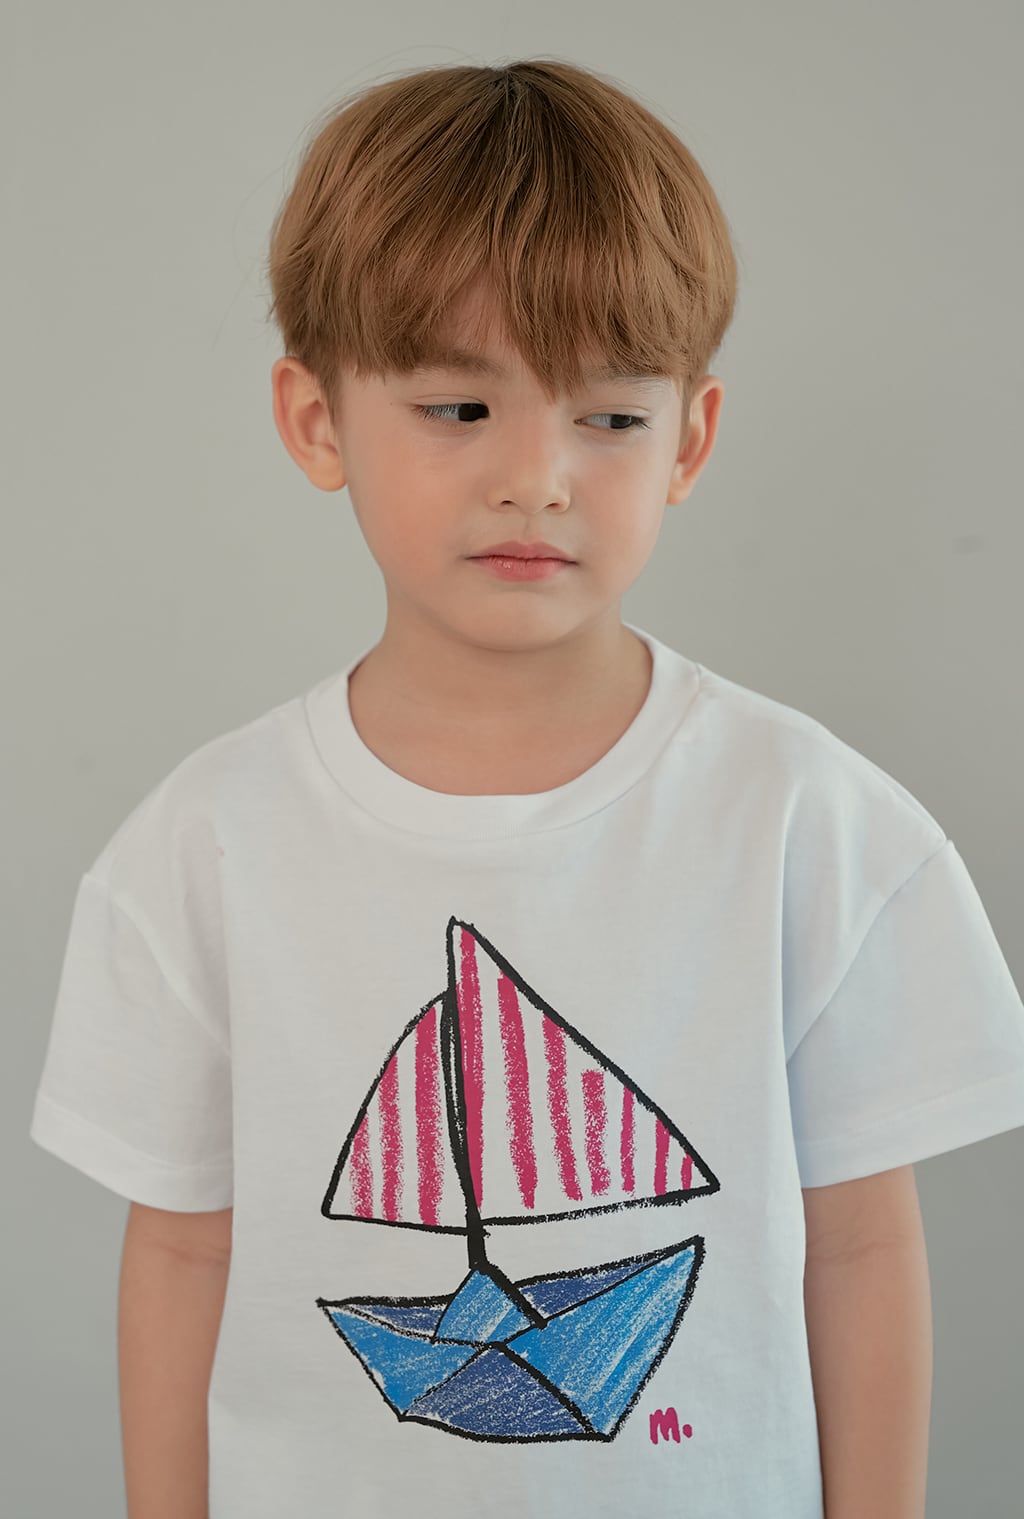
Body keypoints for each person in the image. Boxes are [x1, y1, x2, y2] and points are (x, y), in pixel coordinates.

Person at [28, 57, 1024, 1519]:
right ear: (317, 421)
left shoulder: (812, 822)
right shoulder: (202, 849)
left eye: (609, 419)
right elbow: (184, 1251)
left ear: (690, 439)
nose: (539, 476)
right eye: (457, 407)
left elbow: (863, 1248)